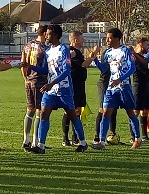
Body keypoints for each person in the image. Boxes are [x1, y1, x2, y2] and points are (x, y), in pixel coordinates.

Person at [21, 25, 88, 154]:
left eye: (49, 34)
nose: (46, 36)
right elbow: (46, 70)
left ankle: (83, 142)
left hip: (64, 90)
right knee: (44, 114)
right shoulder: (48, 51)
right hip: (51, 91)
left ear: (56, 35)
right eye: (46, 34)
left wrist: (52, 83)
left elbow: (66, 71)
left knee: (73, 116)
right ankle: (41, 146)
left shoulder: (63, 49)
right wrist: (31, 66)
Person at [88, 28, 143, 150]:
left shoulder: (125, 51)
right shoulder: (107, 52)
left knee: (130, 113)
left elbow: (132, 68)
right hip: (111, 88)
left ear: (117, 38)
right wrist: (95, 59)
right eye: (106, 38)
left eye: (109, 38)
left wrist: (121, 78)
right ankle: (101, 142)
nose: (107, 40)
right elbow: (104, 69)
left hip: (124, 88)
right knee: (106, 113)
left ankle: (138, 139)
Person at [62, 30, 94, 146]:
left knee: (78, 111)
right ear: (75, 40)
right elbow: (84, 64)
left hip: (80, 85)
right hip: (73, 85)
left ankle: (75, 137)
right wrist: (92, 55)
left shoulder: (78, 52)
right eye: (81, 38)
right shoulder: (71, 52)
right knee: (69, 111)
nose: (83, 40)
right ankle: (65, 139)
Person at [21, 25, 48, 150]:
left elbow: (23, 63)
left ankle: (25, 139)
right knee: (40, 111)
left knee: (30, 110)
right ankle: (35, 141)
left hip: (28, 81)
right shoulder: (44, 49)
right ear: (43, 33)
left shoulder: (27, 45)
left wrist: (25, 78)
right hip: (39, 80)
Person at [131, 37, 149, 142]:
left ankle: (144, 136)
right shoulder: (134, 57)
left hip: (145, 85)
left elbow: (145, 72)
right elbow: (141, 71)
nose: (148, 47)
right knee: (135, 111)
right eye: (147, 45)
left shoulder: (142, 57)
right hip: (137, 86)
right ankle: (133, 137)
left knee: (145, 111)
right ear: (140, 45)